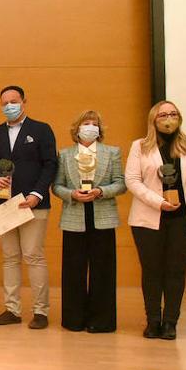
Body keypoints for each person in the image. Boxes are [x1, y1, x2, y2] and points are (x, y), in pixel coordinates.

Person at [125, 101, 186, 340]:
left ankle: (171, 322)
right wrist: (158, 201)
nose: (168, 118)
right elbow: (132, 180)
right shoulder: (139, 146)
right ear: (153, 119)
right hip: (148, 219)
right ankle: (153, 320)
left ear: (179, 118)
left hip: (182, 219)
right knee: (152, 271)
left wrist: (181, 200)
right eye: (163, 115)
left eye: (173, 114)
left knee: (175, 272)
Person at [0, 85, 58, 329]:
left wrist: (37, 194)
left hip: (33, 204)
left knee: (33, 256)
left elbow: (50, 165)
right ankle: (12, 309)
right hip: (5, 205)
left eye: (14, 101)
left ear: (24, 101)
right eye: (4, 103)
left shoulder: (41, 129)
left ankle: (40, 311)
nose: (9, 106)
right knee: (10, 258)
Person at [52, 111, 125, 332]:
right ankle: (73, 319)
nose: (90, 127)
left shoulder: (112, 152)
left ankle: (101, 321)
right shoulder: (64, 155)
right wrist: (71, 194)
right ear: (77, 129)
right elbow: (56, 186)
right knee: (73, 270)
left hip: (103, 216)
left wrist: (101, 191)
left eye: (95, 124)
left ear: (100, 130)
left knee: (103, 270)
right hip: (74, 217)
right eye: (86, 123)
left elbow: (121, 183)